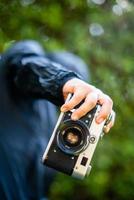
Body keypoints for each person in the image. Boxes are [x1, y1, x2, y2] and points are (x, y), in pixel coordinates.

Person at [0, 40, 115, 200]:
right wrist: (63, 81)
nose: (74, 101)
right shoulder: (23, 59)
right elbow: (25, 63)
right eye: (74, 95)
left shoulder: (56, 128)